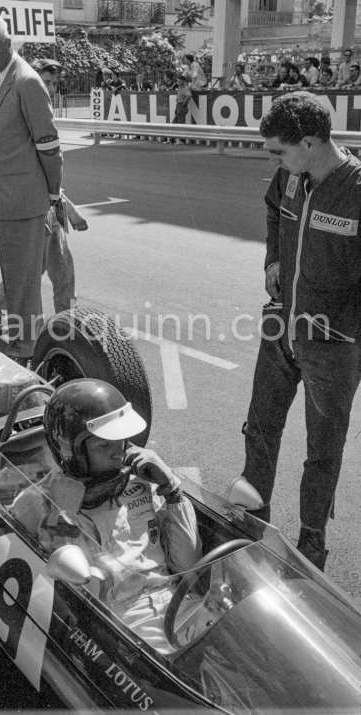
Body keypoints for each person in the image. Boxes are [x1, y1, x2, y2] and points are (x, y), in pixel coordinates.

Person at [239, 91, 361, 571]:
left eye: (279, 151)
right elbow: (274, 212)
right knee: (261, 429)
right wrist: (272, 258)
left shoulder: (356, 188)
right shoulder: (290, 177)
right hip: (280, 329)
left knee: (322, 450)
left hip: (333, 344)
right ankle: (252, 515)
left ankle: (312, 540)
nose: (275, 160)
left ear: (309, 143)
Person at [11, 378, 202, 654]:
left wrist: (172, 490)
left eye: (121, 440)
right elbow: (77, 593)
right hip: (127, 627)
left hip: (182, 602)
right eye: (104, 446)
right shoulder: (40, 502)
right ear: (71, 451)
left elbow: (189, 566)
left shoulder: (143, 481)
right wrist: (64, 512)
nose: (119, 453)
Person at [0, 15, 62, 366]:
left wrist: (54, 193)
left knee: (24, 284)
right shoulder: (1, 79)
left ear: (9, 44)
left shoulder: (25, 81)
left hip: (21, 200)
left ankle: (25, 350)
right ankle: (19, 338)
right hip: (6, 199)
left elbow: (49, 145)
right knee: (18, 276)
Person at [0, 58, 88, 322]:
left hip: (50, 206)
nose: (48, 88)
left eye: (52, 83)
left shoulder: (42, 107)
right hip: (31, 207)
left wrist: (66, 208)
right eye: (44, 82)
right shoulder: (23, 108)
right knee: (32, 270)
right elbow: (34, 168)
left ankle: (66, 321)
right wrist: (70, 209)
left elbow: (49, 169)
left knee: (61, 268)